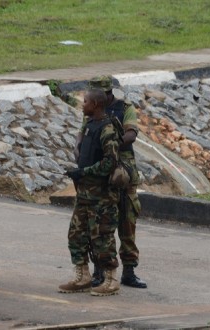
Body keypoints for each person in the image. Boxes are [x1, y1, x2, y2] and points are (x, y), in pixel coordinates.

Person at [74, 76, 147, 289]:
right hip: (98, 174)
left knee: (127, 221)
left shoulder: (125, 108)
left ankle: (129, 271)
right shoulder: (93, 111)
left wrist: (108, 146)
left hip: (121, 173)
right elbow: (82, 133)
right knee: (98, 225)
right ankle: (100, 271)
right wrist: (79, 149)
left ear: (107, 93)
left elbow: (131, 134)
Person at [59, 88, 121, 296]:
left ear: (95, 105)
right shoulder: (89, 125)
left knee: (102, 238)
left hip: (101, 196)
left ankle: (111, 280)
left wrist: (84, 172)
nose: (82, 104)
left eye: (85, 101)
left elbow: (110, 162)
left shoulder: (107, 129)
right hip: (85, 194)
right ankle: (82, 276)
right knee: (76, 235)